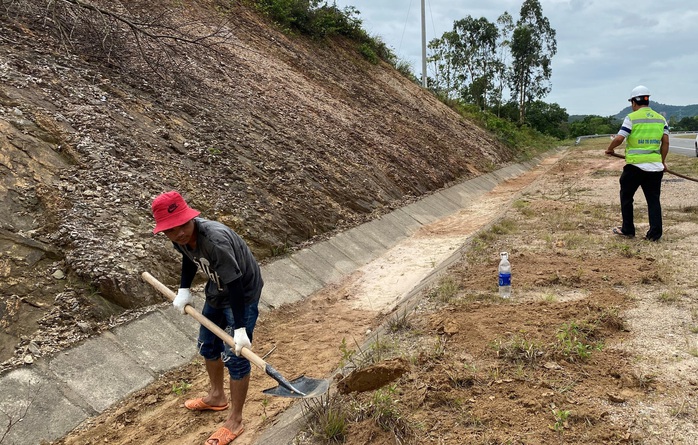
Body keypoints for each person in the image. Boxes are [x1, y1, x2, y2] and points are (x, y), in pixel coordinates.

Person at [151, 190, 263, 445]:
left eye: (182, 224)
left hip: (241, 294)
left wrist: (241, 329)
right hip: (217, 290)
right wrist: (183, 290)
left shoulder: (215, 241)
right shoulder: (179, 238)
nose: (179, 232)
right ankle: (216, 397)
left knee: (235, 356)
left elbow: (235, 284)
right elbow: (189, 258)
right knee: (207, 345)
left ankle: (235, 419)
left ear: (190, 218)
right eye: (171, 229)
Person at [605, 85, 669, 242]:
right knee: (653, 200)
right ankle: (655, 234)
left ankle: (628, 230)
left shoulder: (631, 118)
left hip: (635, 167)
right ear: (647, 100)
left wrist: (610, 149)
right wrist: (662, 162)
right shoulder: (661, 119)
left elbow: (619, 138)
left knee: (626, 197)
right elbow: (665, 142)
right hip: (655, 168)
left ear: (634, 102)